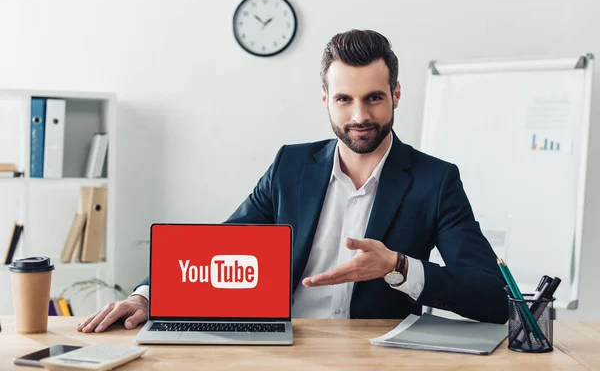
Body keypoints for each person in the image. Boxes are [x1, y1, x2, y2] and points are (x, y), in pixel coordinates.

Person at [77, 29, 508, 334]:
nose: (359, 116)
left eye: (373, 97)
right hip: (286, 344)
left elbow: (491, 297)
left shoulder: (436, 181)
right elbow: (221, 248)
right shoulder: (291, 166)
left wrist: (397, 267)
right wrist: (146, 297)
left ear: (396, 94)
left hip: (377, 354)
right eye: (344, 99)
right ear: (325, 100)